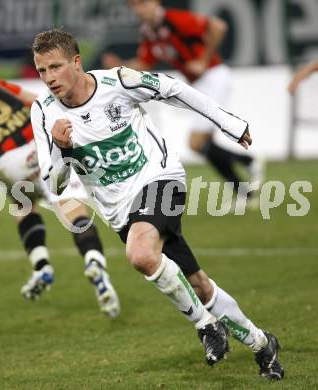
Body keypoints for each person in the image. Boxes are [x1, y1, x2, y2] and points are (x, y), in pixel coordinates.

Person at [30, 28, 284, 379]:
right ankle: (261, 344)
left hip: (159, 176)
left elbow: (173, 89)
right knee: (197, 283)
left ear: (76, 61)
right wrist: (63, 149)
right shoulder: (42, 111)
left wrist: (228, 122)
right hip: (119, 209)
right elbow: (54, 183)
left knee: (140, 255)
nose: (49, 78)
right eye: (42, 71)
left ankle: (206, 326)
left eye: (55, 67)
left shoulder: (118, 81)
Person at [0, 76, 120, 317]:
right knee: (70, 207)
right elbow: (33, 101)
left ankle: (41, 267)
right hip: (37, 141)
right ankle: (95, 262)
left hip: (8, 161)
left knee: (23, 205)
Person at [102, 0, 264, 203]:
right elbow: (144, 63)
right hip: (201, 82)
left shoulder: (174, 19)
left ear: (155, 3)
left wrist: (204, 60)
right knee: (204, 144)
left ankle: (246, 168)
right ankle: (245, 185)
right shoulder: (149, 32)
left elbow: (218, 26)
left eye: (142, 3)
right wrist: (121, 65)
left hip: (213, 76)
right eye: (134, 6)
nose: (138, 10)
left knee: (196, 143)